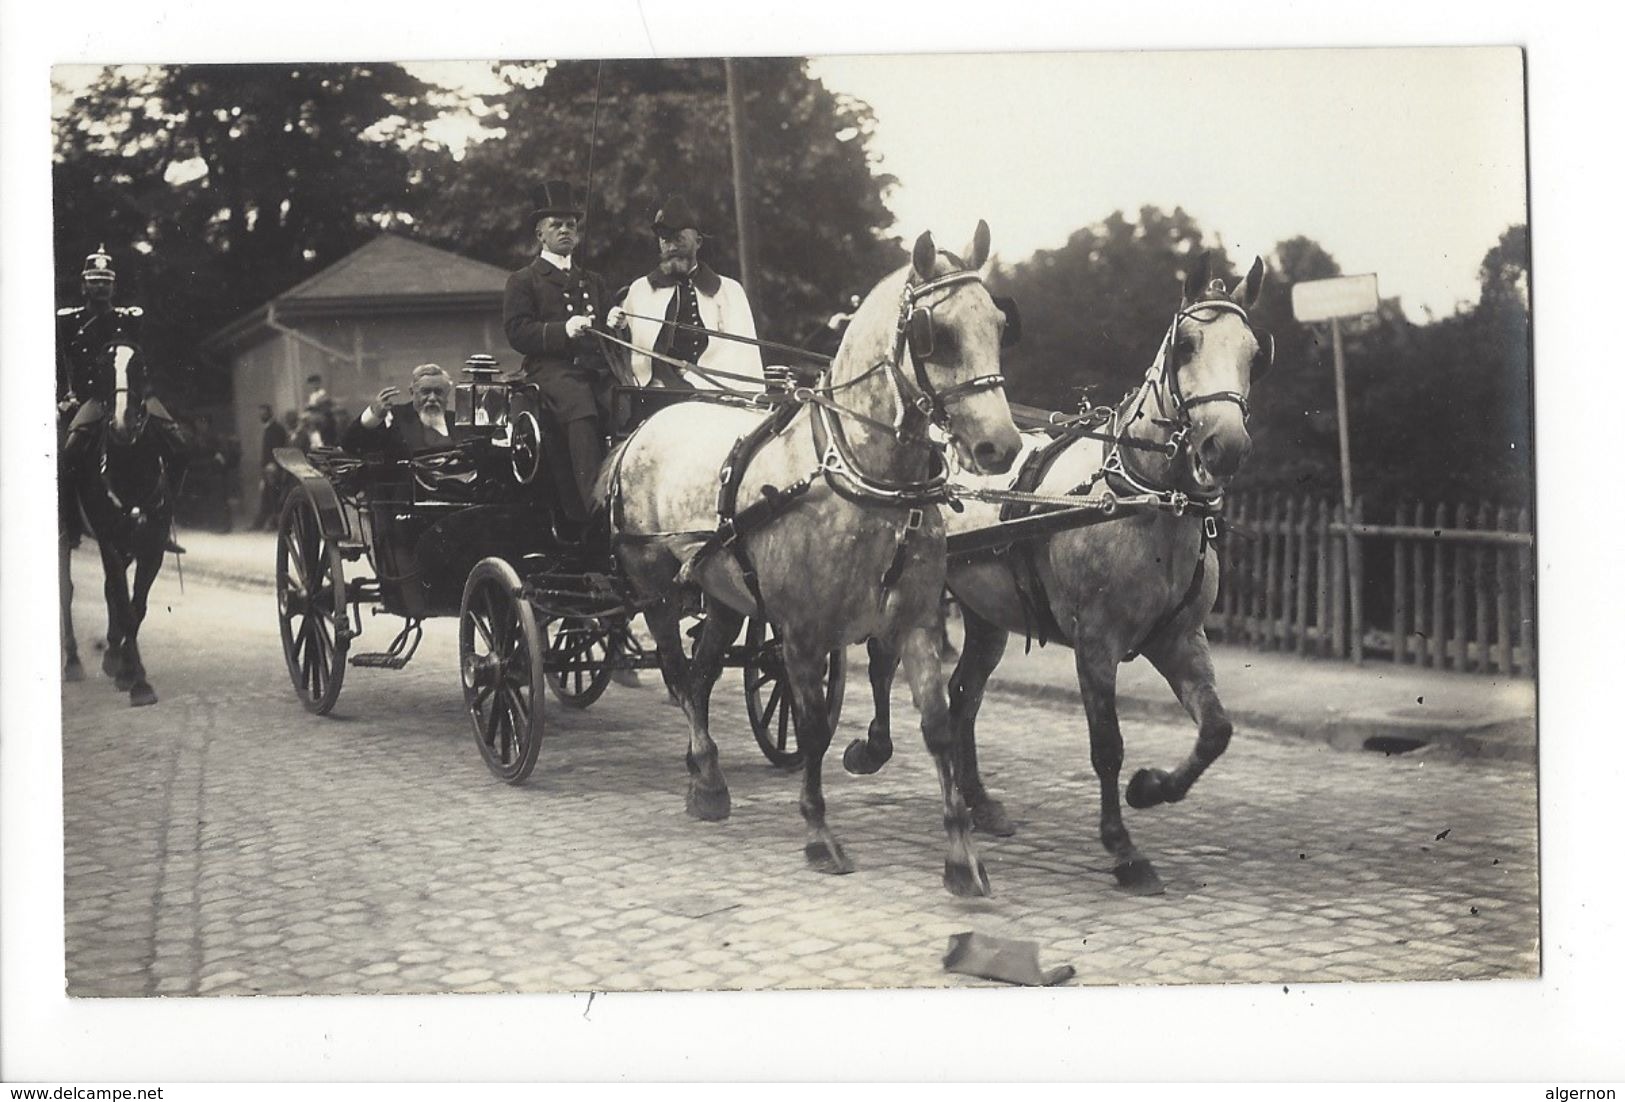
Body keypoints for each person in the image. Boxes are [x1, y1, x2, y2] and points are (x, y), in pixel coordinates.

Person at [57, 245, 188, 553]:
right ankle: (73, 522)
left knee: (179, 446)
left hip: (133, 395)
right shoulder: (69, 321)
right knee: (70, 454)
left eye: (106, 281)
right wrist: (64, 396)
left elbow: (144, 358)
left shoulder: (129, 319)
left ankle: (162, 518)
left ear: (113, 285)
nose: (100, 286)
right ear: (83, 285)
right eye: (94, 280)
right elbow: (61, 363)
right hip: (92, 399)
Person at [502, 179, 618, 521]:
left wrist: (615, 321)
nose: (565, 230)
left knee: (628, 400)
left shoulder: (592, 281)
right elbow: (517, 332)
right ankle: (592, 510)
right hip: (550, 371)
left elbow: (607, 324)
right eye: (556, 225)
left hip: (594, 368)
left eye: (571, 225)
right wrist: (562, 330)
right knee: (581, 406)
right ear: (541, 234)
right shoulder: (524, 280)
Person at [608, 195, 764, 391]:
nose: (671, 248)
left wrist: (699, 382)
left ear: (698, 242)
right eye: (665, 240)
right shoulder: (640, 290)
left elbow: (741, 355)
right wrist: (618, 327)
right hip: (656, 391)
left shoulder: (729, 292)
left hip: (712, 390)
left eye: (679, 239)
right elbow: (626, 353)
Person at [341, 363, 469, 457]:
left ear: (447, 394)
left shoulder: (457, 421)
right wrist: (374, 416)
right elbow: (350, 445)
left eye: (438, 392)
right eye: (426, 392)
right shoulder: (395, 417)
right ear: (412, 392)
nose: (432, 398)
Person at [252, 404, 291, 530]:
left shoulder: (276, 429)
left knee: (274, 496)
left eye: (264, 413)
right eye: (260, 413)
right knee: (268, 496)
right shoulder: (268, 429)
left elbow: (278, 448)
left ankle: (275, 523)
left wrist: (273, 464)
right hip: (267, 469)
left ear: (270, 413)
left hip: (274, 469)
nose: (261, 416)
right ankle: (264, 523)